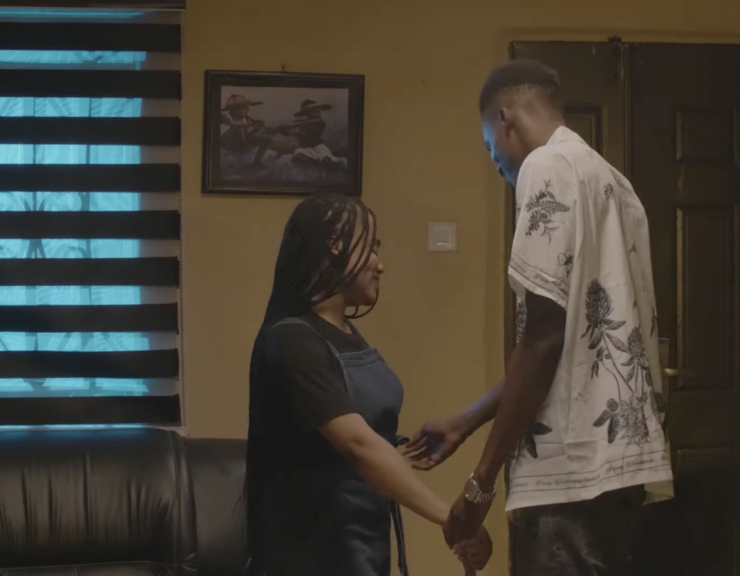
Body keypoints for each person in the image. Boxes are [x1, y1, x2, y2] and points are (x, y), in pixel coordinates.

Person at [405, 59, 674, 575]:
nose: (497, 165)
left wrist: (481, 484)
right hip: (620, 470)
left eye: (492, 149)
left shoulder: (545, 167)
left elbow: (544, 339)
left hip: (566, 476)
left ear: (504, 118)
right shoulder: (613, 181)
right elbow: (568, 343)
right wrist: (466, 421)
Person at [244, 193, 492, 575]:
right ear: (335, 247)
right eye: (372, 248)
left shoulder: (345, 333)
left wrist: (403, 453)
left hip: (362, 551)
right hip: (309, 558)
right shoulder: (291, 340)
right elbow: (358, 446)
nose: (380, 264)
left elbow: (352, 444)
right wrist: (453, 520)